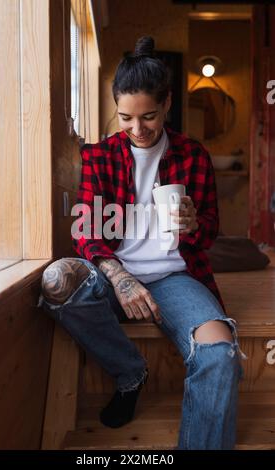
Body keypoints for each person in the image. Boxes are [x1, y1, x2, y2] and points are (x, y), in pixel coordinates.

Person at [38, 36, 244, 450]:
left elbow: (209, 233)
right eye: (125, 118)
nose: (137, 129)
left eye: (148, 116)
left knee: (220, 354)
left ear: (167, 104)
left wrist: (192, 226)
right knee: (57, 281)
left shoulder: (193, 156)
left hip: (175, 277)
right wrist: (119, 276)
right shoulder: (99, 156)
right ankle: (130, 373)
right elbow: (86, 231)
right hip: (111, 273)